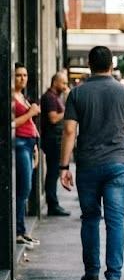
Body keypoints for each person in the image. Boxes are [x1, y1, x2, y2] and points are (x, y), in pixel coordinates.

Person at [59, 46, 124, 280]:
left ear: (89, 64)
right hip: (118, 164)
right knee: (115, 221)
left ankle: (91, 273)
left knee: (90, 219)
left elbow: (68, 131)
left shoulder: (77, 94)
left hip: (87, 165)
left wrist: (64, 166)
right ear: (112, 65)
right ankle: (115, 278)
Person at [12, 63, 41, 248]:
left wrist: (36, 146)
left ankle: (22, 230)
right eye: (18, 75)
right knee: (24, 188)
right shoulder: (11, 98)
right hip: (20, 143)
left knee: (26, 188)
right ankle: (18, 230)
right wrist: (31, 112)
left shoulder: (22, 96)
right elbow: (11, 124)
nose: (22, 78)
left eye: (25, 74)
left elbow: (29, 121)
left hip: (29, 144)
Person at [40, 72, 70, 216]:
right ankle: (52, 204)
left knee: (53, 172)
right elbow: (53, 118)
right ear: (55, 82)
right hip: (52, 140)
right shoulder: (50, 98)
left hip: (55, 139)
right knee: (52, 172)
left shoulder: (56, 97)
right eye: (63, 83)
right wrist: (67, 111)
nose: (65, 86)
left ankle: (53, 203)